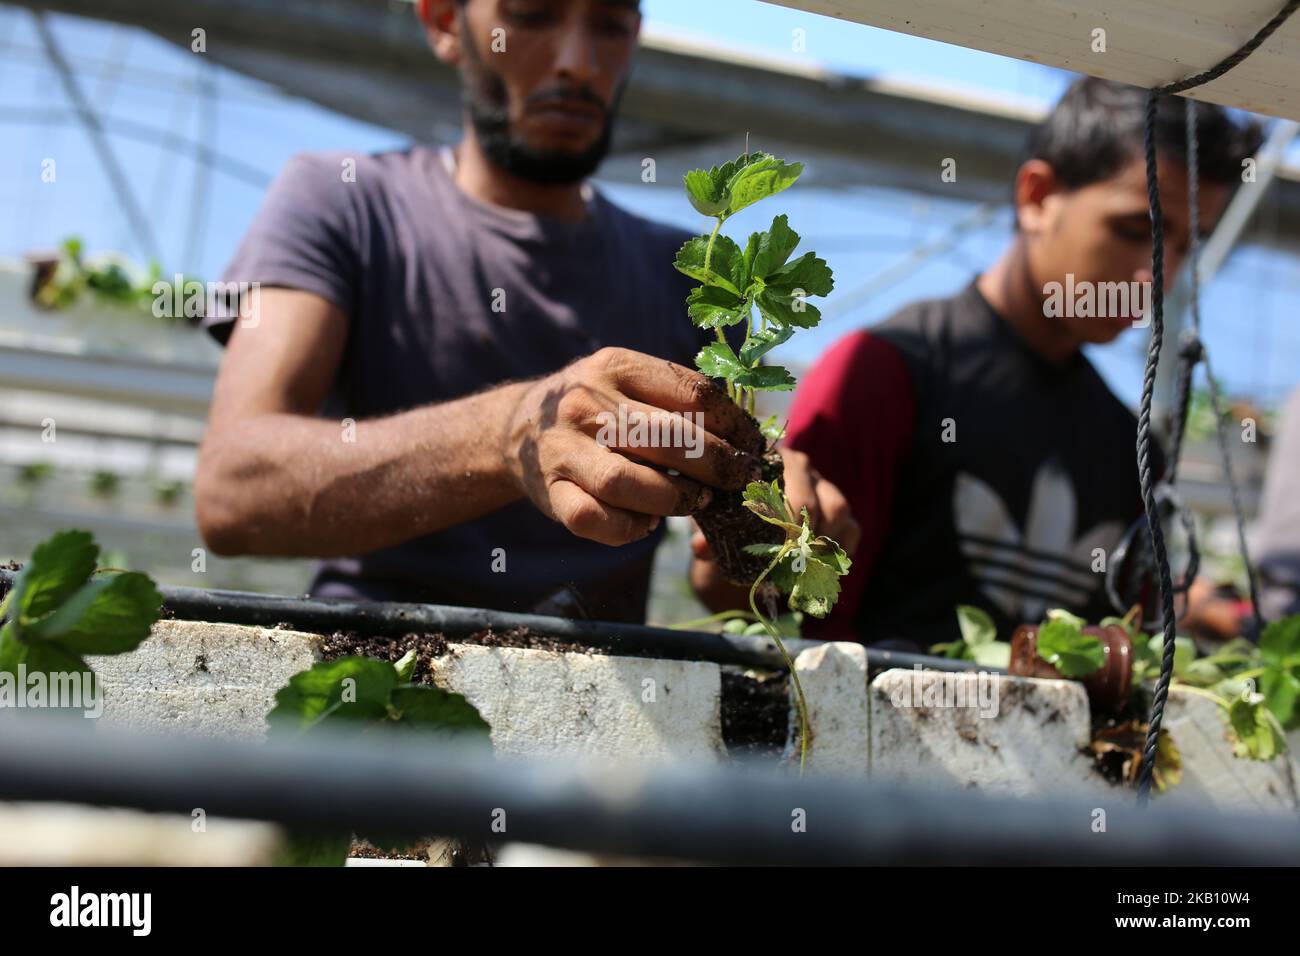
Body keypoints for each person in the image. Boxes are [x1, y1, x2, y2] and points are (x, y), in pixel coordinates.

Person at [193, 0, 854, 624]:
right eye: (531, 15)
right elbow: (234, 489)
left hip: (605, 702)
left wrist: (774, 535)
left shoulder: (685, 272)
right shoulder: (345, 205)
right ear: (446, 20)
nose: (577, 61)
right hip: (375, 677)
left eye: (610, 24)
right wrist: (509, 433)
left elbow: (726, 588)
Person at [691, 77, 1259, 648]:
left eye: (1188, 246)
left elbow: (1128, 642)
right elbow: (783, 617)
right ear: (1037, 196)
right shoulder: (885, 374)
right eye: (1137, 231)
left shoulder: (1127, 446)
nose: (1156, 276)